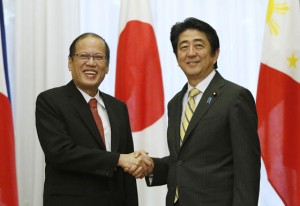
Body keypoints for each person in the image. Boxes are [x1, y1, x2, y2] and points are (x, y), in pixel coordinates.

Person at [132, 17, 261, 206]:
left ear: (215, 54)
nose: (191, 53)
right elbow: (182, 161)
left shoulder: (235, 97)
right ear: (177, 57)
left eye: (198, 46)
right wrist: (151, 166)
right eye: (183, 47)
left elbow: (247, 168)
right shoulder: (175, 103)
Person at [35, 33, 152, 206]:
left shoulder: (118, 107)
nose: (91, 63)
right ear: (70, 62)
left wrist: (134, 162)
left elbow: (127, 172)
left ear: (107, 66)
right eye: (83, 56)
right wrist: (119, 159)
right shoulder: (51, 100)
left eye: (98, 57)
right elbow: (60, 153)